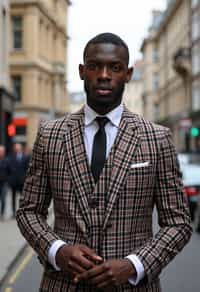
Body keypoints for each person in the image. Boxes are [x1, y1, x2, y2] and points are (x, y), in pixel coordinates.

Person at [16, 33, 192, 292]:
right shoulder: (50, 135)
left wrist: (134, 265)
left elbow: (179, 223)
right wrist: (58, 250)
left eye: (115, 67)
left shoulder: (157, 138)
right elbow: (28, 211)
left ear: (128, 74)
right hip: (63, 285)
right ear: (81, 71)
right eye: (95, 66)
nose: (104, 75)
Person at [8, 143, 29, 217]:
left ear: (20, 148)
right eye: (15, 148)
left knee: (22, 197)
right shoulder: (11, 157)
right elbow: (9, 168)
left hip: (21, 181)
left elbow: (27, 168)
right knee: (13, 197)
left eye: (18, 148)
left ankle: (21, 211)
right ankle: (13, 212)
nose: (17, 149)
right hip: (13, 181)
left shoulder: (25, 157)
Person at [0, 145, 9, 220]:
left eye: (2, 151)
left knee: (3, 198)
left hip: (4, 182)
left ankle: (2, 213)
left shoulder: (7, 160)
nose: (1, 153)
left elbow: (10, 171)